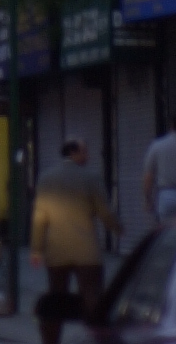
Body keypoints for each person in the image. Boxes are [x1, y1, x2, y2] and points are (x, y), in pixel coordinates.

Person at [30, 138, 122, 344]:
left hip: (56, 251)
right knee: (92, 296)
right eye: (84, 151)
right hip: (86, 251)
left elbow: (39, 217)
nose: (87, 155)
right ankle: (97, 338)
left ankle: (51, 340)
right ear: (73, 153)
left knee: (56, 298)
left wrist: (36, 249)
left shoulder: (45, 178)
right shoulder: (91, 177)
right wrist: (118, 228)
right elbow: (104, 211)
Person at [143, 121, 176, 222]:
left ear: (171, 126)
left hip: (166, 195)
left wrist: (148, 200)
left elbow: (148, 177)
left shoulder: (157, 146)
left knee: (167, 229)